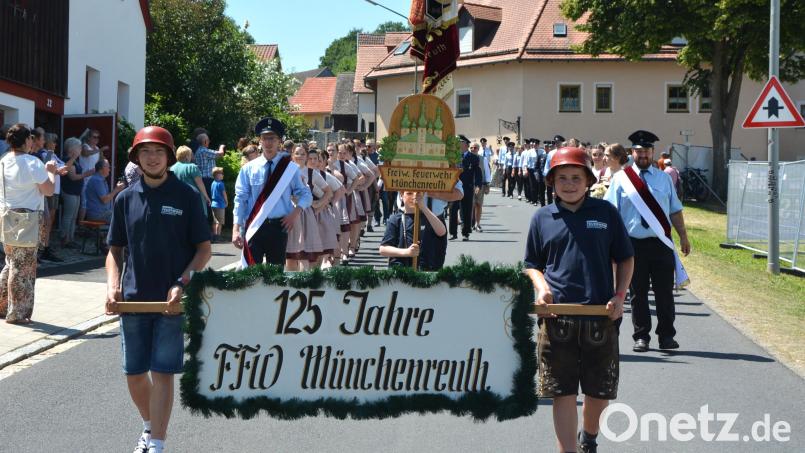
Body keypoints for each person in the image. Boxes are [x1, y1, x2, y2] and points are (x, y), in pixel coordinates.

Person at [105, 125, 211, 453]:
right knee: (134, 373)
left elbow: (203, 250)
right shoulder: (125, 198)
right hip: (133, 300)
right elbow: (114, 250)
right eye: (145, 152)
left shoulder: (187, 196)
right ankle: (149, 427)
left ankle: (158, 444)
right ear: (137, 157)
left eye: (158, 152)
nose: (152, 158)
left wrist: (182, 283)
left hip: (171, 301)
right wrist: (112, 285)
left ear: (168, 156)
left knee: (162, 372)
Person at [525, 146, 634, 453]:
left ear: (588, 179)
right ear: (552, 182)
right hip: (557, 317)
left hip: (601, 316)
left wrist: (620, 294)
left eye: (576, 177)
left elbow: (626, 259)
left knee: (599, 393)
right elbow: (531, 264)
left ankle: (589, 435)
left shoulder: (605, 213)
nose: (569, 183)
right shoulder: (542, 217)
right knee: (562, 391)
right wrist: (541, 287)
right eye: (562, 178)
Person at [604, 130, 691, 353]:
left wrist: (683, 237)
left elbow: (675, 211)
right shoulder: (620, 179)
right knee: (638, 293)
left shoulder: (664, 178)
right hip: (632, 245)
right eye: (638, 151)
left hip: (661, 243)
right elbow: (610, 212)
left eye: (646, 151)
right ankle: (641, 336)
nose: (643, 155)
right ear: (632, 152)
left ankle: (666, 336)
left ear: (652, 152)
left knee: (664, 293)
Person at [232, 117, 312, 267]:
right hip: (254, 225)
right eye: (264, 138)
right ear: (259, 141)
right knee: (250, 275)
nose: (268, 142)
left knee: (275, 277)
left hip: (278, 226)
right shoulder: (249, 168)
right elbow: (240, 199)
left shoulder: (290, 169)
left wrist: (295, 214)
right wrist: (236, 229)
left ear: (279, 141)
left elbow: (306, 194)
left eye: (272, 138)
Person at [0, 124, 58, 324]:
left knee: (10, 262)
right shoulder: (33, 163)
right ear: (27, 141)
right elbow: (48, 190)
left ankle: (3, 305)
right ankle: (17, 312)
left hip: (7, 216)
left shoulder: (3, 161)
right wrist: (51, 172)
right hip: (28, 219)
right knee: (22, 267)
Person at [284, 146, 328, 271]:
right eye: (297, 153)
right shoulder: (286, 171)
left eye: (303, 153)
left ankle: (304, 284)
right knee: (290, 255)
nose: (300, 156)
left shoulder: (311, 173)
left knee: (304, 253)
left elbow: (328, 191)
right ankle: (291, 284)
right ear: (292, 155)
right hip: (289, 212)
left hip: (305, 214)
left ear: (306, 156)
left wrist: (318, 205)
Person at [379, 191, 446, 267]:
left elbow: (442, 232)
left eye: (418, 194)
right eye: (409, 193)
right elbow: (383, 249)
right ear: (402, 195)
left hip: (425, 268)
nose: (414, 196)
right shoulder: (395, 219)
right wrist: (407, 252)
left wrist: (423, 207)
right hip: (401, 269)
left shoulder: (428, 217)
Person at [36, 131, 69, 262]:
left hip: (55, 189)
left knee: (49, 221)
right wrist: (57, 171)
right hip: (48, 189)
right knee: (46, 221)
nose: (55, 144)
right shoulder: (45, 154)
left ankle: (45, 246)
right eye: (53, 141)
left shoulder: (53, 154)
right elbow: (44, 170)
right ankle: (42, 248)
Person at [60, 137, 93, 248]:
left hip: (76, 191)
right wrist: (87, 174)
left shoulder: (75, 160)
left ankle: (71, 238)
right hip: (69, 191)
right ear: (72, 148)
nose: (80, 149)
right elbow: (73, 177)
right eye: (78, 147)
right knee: (68, 216)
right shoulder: (67, 159)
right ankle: (65, 239)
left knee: (74, 217)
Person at [449, 135, 481, 241]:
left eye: (460, 142)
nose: (458, 144)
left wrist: (478, 185)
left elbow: (478, 172)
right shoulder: (453, 157)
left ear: (466, 144)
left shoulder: (474, 157)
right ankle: (453, 233)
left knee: (466, 210)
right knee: (453, 209)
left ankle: (465, 233)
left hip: (467, 187)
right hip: (454, 187)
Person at [170, 145, 210, 217]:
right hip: (194, 200)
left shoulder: (172, 168)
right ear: (186, 156)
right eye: (190, 154)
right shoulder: (192, 167)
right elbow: (200, 184)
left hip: (178, 200)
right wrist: (206, 197)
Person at [193, 133, 225, 200]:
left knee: (205, 200)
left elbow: (213, 156)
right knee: (209, 200)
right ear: (205, 141)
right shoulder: (204, 151)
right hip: (207, 180)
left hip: (202, 180)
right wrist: (221, 147)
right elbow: (220, 154)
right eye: (208, 140)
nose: (209, 141)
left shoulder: (198, 151)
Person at [471, 142, 491, 232]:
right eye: (471, 147)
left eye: (475, 148)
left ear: (478, 149)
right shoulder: (467, 158)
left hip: (480, 185)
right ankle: (471, 223)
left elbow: (487, 172)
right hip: (469, 184)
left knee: (479, 204)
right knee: (471, 204)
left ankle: (477, 224)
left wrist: (487, 184)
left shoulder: (483, 159)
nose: (473, 149)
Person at [210, 167, 227, 243]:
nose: (223, 175)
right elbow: (224, 194)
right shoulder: (221, 184)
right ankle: (218, 236)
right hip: (220, 204)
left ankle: (214, 235)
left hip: (213, 203)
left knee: (215, 221)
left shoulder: (213, 183)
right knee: (219, 222)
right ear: (217, 175)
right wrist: (226, 201)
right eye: (221, 174)